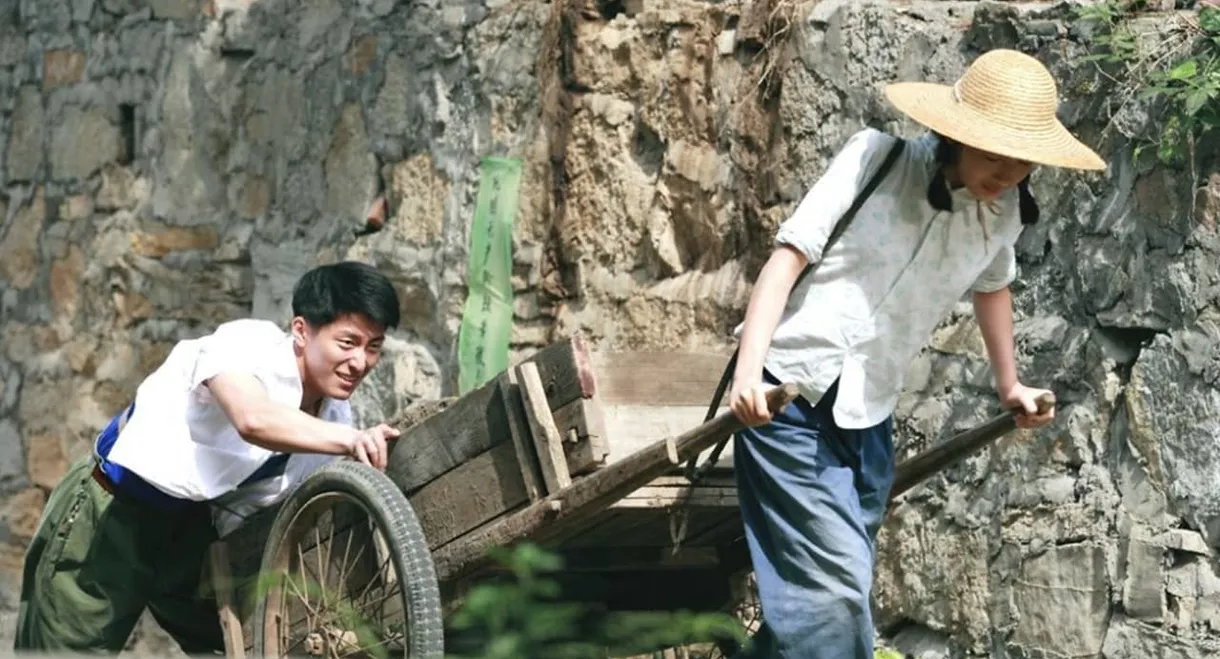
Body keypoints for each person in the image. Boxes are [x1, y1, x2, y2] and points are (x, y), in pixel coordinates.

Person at [726, 49, 1106, 659]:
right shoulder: (876, 159)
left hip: (868, 420)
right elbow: (785, 260)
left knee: (816, 602)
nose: (1007, 172)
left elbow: (993, 287)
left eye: (1021, 160)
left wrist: (1011, 385)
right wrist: (747, 375)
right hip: (786, 404)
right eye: (993, 153)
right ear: (955, 135)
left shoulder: (1003, 213)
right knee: (836, 596)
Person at [14, 260, 404, 654]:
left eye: (374, 348)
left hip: (194, 538)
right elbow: (252, 419)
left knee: (242, 645)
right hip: (115, 511)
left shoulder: (336, 416)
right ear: (302, 331)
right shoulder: (249, 345)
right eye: (348, 343)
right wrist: (350, 440)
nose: (361, 362)